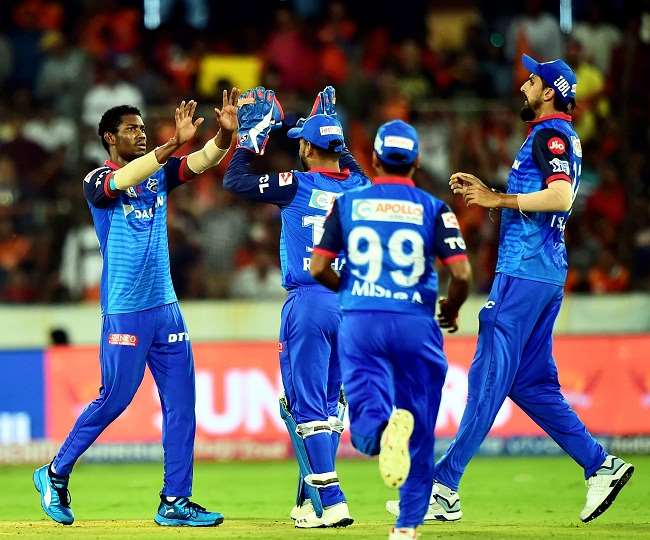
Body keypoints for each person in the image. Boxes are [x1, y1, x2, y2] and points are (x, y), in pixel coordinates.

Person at [398, 55, 634, 524]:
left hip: (524, 273)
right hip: (544, 272)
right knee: (529, 383)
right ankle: (600, 465)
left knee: (488, 375)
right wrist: (491, 194)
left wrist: (497, 198)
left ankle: (443, 487)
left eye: (531, 80)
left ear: (549, 92)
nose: (523, 85)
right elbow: (547, 198)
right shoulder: (555, 136)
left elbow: (561, 196)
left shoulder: (550, 135)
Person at [33, 89, 241, 527]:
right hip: (125, 310)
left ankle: (175, 500)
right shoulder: (96, 180)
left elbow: (203, 160)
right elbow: (124, 179)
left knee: (182, 405)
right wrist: (171, 145)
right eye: (131, 129)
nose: (141, 134)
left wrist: (224, 135)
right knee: (115, 399)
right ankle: (54, 473)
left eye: (143, 128)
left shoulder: (158, 175)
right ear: (110, 138)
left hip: (166, 308)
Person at [310, 119, 472, 540]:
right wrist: (451, 309)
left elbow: (318, 267)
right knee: (420, 431)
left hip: (362, 323)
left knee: (366, 429)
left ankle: (382, 433)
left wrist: (352, 292)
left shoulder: (348, 205)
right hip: (416, 324)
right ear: (416, 162)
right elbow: (462, 275)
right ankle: (406, 527)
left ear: (375, 159)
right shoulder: (435, 209)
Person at [223, 86, 368, 528]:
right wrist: (329, 127)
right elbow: (349, 162)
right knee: (329, 404)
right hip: (352, 305)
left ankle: (333, 500)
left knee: (305, 407)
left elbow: (235, 181)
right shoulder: (361, 186)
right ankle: (309, 500)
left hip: (309, 302)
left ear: (305, 149)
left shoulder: (296, 183)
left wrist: (252, 138)